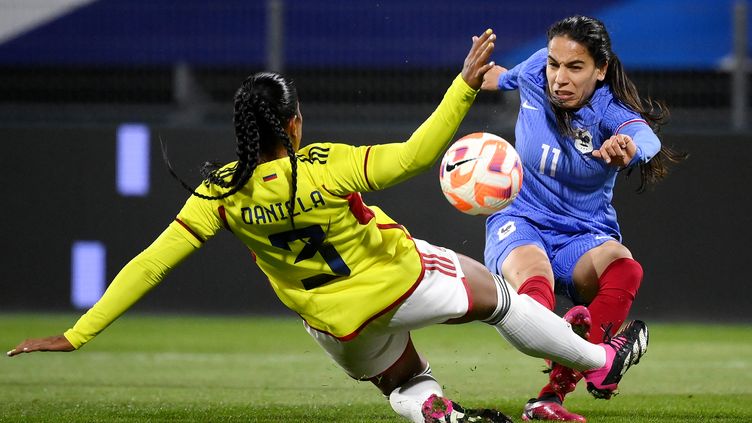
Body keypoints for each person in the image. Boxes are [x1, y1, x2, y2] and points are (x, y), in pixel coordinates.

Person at [7, 29, 649, 423]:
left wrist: (78, 333)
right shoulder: (324, 166)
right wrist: (460, 87)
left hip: (331, 324)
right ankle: (601, 357)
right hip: (402, 281)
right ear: (292, 124)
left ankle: (437, 413)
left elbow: (150, 263)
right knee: (503, 300)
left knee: (400, 379)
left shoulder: (219, 194)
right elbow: (416, 157)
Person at [480, 16, 685, 422]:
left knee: (625, 266)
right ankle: (599, 354)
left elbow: (646, 137)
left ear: (601, 69)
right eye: (556, 64)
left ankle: (549, 398)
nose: (559, 77)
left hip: (583, 234)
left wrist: (629, 149)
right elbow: (505, 78)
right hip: (522, 218)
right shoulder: (537, 69)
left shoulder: (608, 109)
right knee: (535, 280)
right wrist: (484, 77)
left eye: (575, 67)